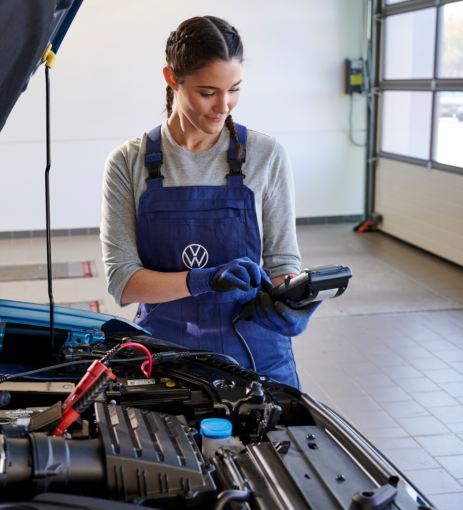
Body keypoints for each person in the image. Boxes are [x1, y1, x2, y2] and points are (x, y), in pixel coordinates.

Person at [100, 15, 318, 388]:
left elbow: (281, 261)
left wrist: (291, 299)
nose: (224, 106)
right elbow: (124, 281)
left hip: (256, 351)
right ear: (172, 78)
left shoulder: (265, 155)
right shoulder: (128, 162)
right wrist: (202, 280)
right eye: (208, 92)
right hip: (165, 354)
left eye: (234, 89)